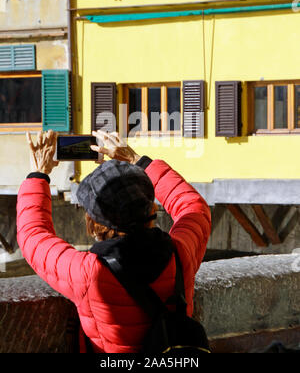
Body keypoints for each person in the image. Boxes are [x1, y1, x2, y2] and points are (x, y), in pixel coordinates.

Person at [16, 129, 211, 353]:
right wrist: (137, 160)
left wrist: (39, 173)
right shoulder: (181, 251)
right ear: (152, 207)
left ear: (93, 223)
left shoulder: (88, 272)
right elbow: (193, 207)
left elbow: (33, 236)